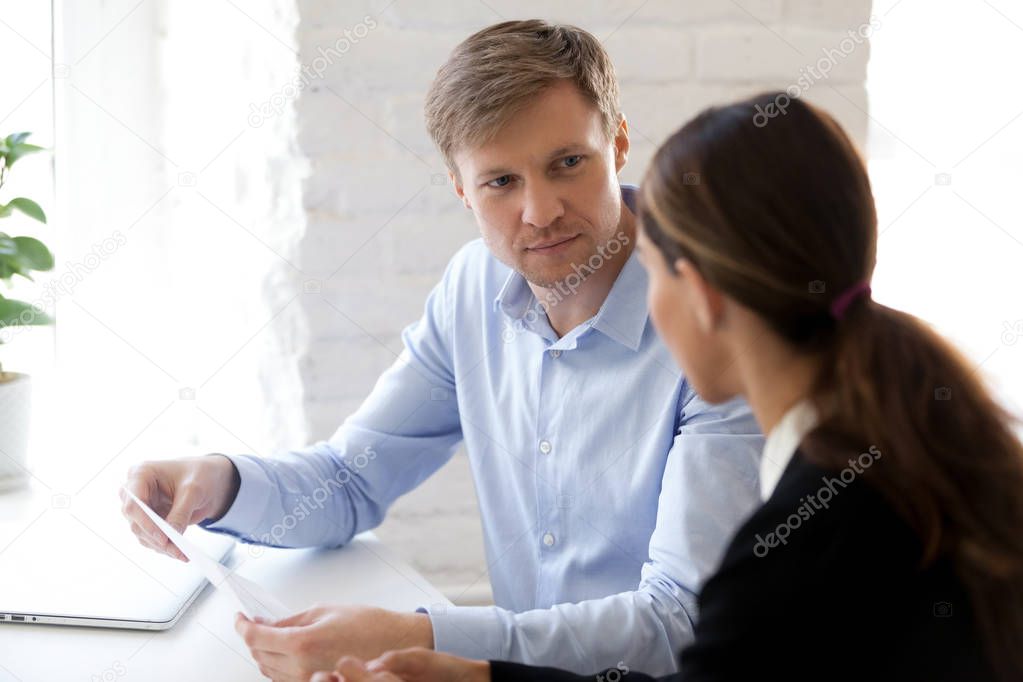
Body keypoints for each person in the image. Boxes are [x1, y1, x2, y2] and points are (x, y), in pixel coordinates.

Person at [120, 20, 764, 681]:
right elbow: (351, 479)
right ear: (460, 188)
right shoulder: (473, 287)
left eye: (566, 163)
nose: (539, 211)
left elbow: (677, 624)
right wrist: (220, 484)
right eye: (500, 182)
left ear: (618, 141)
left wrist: (422, 635)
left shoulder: (712, 324)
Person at [313, 93, 1023, 681]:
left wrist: (458, 656)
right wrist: (479, 673)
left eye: (649, 268)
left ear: (705, 299)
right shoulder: (923, 455)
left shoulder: (794, 545)